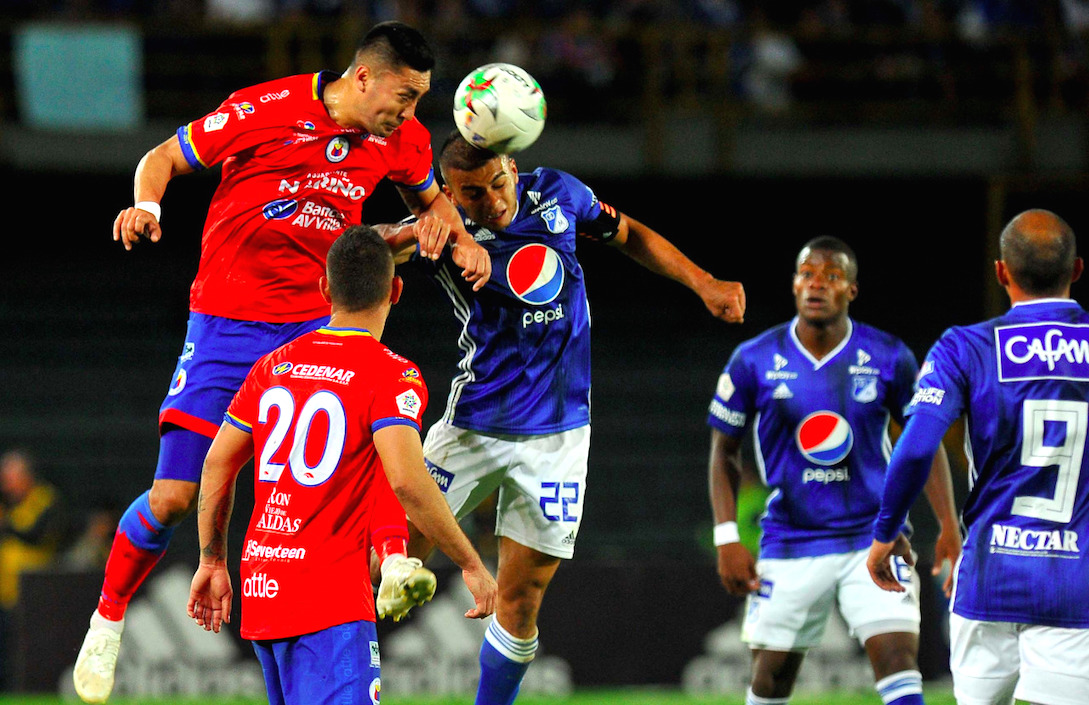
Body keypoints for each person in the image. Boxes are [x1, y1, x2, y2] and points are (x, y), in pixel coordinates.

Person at [73, 21, 492, 705]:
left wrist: (457, 233)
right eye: (404, 95)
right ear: (364, 77)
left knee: (372, 436)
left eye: (420, 100)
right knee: (176, 497)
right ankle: (108, 614)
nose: (410, 113)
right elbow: (161, 158)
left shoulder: (399, 139)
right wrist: (147, 204)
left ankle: (391, 562)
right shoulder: (263, 109)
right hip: (225, 326)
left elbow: (430, 199)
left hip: (314, 322)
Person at [393, 132, 746, 705]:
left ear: (513, 165)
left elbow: (629, 234)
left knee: (523, 597)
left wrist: (703, 281)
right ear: (450, 195)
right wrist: (414, 231)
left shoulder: (560, 194)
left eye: (498, 184)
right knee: (381, 563)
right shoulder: (442, 231)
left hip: (557, 437)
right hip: (470, 427)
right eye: (472, 195)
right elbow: (362, 254)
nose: (492, 202)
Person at [186, 225, 497, 704]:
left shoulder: (273, 366)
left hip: (264, 585)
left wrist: (211, 559)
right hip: (327, 596)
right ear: (395, 289)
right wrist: (471, 563)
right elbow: (408, 482)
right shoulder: (391, 372)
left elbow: (215, 466)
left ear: (324, 288)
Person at [706, 236, 961, 705]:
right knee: (771, 680)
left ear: (852, 290)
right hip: (791, 539)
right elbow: (723, 450)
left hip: (876, 537)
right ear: (793, 285)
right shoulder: (754, 359)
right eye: (807, 274)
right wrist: (727, 538)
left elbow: (922, 443)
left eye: (832, 275)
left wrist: (948, 523)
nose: (817, 284)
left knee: (900, 662)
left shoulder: (889, 355)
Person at [869, 209, 1089, 705]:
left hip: (991, 575)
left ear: (1002, 272)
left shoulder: (963, 348)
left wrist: (887, 531)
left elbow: (916, 446)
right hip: (1077, 581)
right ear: (1076, 270)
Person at [0, 449, 66, 690]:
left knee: (32, 650)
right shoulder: (9, 505)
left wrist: (6, 526)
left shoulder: (44, 499)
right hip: (8, 593)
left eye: (10, 476)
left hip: (37, 594)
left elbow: (37, 535)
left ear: (26, 475)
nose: (6, 483)